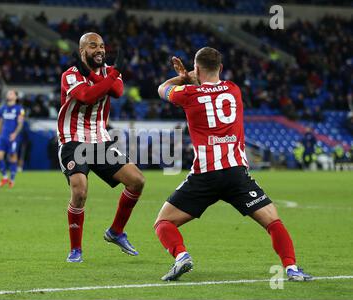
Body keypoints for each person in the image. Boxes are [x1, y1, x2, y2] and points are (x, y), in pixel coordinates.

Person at [155, 47, 311, 281]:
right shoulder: (234, 90)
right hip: (236, 173)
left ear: (196, 68)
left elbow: (162, 89)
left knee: (163, 222)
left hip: (205, 175)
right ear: (221, 68)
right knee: (273, 221)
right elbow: (211, 90)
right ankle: (291, 269)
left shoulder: (188, 94)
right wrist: (195, 77)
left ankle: (182, 256)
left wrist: (184, 77)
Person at [58, 32, 145, 263]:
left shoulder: (108, 72)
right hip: (73, 139)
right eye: (93, 46)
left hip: (100, 139)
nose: (100, 50)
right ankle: (75, 249)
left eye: (102, 46)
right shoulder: (70, 75)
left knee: (137, 181)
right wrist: (111, 75)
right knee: (79, 191)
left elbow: (116, 92)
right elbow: (86, 96)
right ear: (82, 51)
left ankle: (116, 232)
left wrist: (107, 75)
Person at [0, 90, 25, 188]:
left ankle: (12, 179)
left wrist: (15, 134)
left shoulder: (19, 109)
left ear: (16, 97)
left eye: (11, 93)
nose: (9, 94)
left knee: (12, 157)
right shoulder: (3, 108)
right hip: (3, 136)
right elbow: (0, 122)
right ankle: (4, 177)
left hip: (13, 137)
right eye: (8, 93)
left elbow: (20, 123)